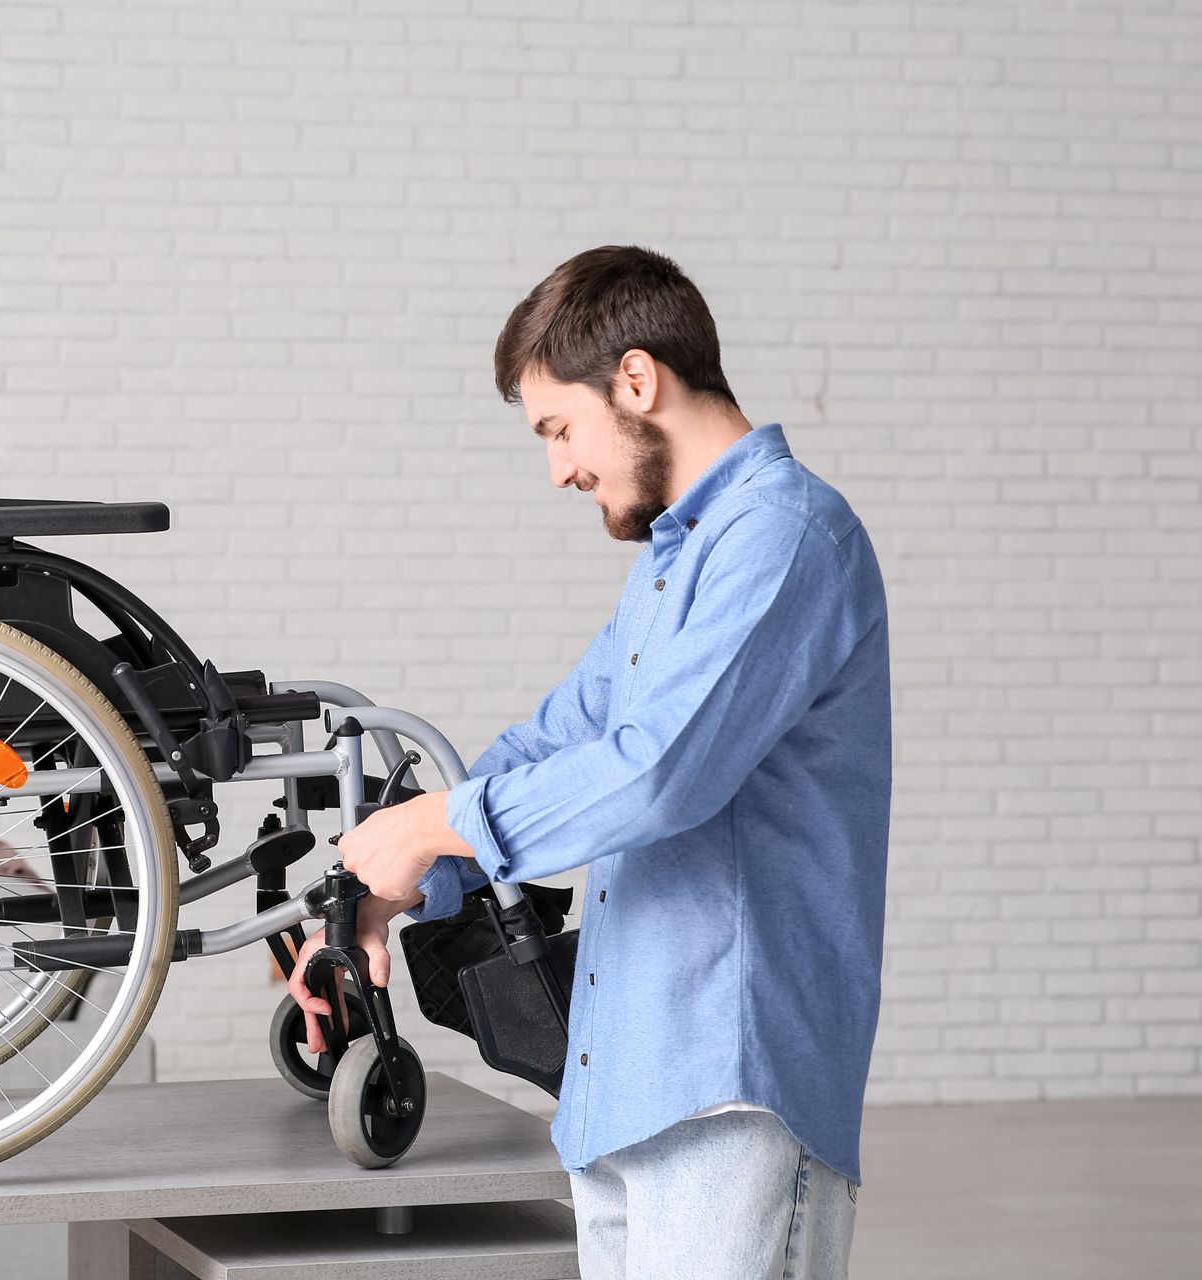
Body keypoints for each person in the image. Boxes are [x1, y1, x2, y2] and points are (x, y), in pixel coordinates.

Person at [286, 245, 890, 1279]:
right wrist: (385, 889)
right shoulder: (678, 560)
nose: (560, 466)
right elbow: (557, 743)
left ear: (638, 380)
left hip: (728, 1085)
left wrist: (427, 827)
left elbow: (657, 772)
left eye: (560, 427)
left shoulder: (784, 538)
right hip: (628, 1083)